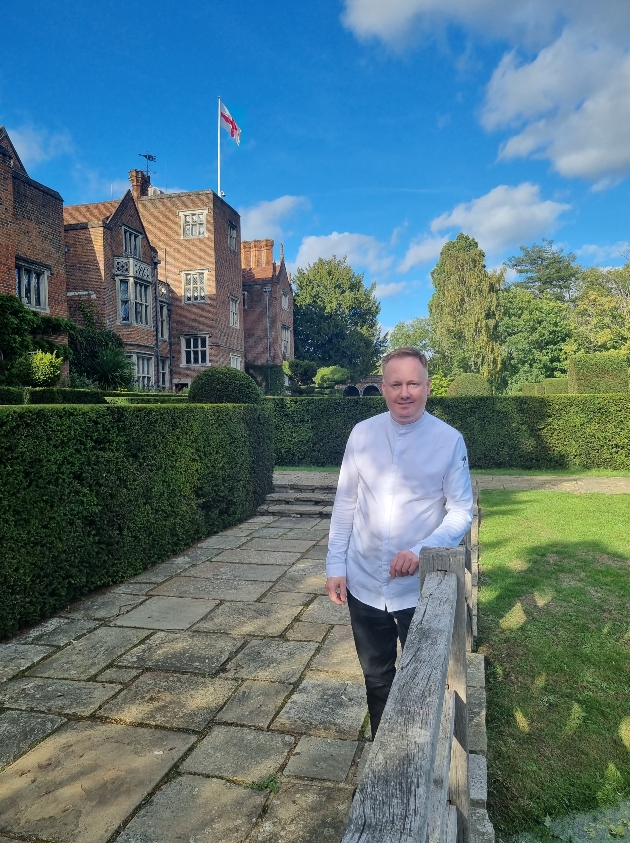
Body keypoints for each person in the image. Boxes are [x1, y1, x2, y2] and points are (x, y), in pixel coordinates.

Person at [325, 347, 473, 737]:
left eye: (413, 383)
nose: (404, 392)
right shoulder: (363, 434)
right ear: (383, 386)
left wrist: (422, 550)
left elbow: (460, 511)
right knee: (376, 680)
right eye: (395, 384)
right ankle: (384, 755)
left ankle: (419, 753)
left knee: (423, 683)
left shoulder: (448, 440)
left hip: (417, 590)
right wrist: (334, 566)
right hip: (364, 582)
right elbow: (345, 504)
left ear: (427, 386)